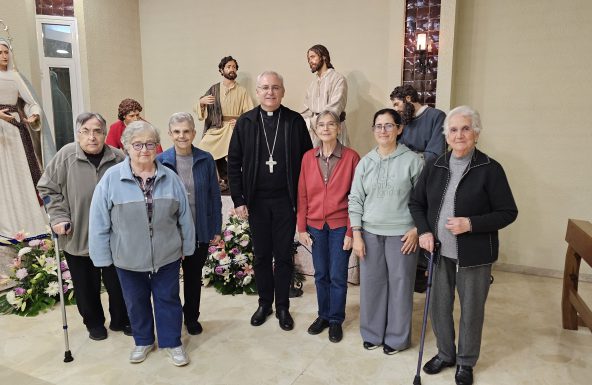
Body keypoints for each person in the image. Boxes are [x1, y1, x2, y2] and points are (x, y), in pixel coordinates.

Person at [409, 106, 518, 385]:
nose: (459, 135)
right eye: (453, 130)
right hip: (438, 252)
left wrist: (470, 224)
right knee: (439, 306)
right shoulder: (435, 165)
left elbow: (508, 212)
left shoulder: (490, 169)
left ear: (476, 134)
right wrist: (423, 231)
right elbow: (417, 203)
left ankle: (466, 362)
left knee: (471, 309)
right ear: (446, 135)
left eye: (466, 129)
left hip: (475, 254)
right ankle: (446, 353)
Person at [89, 121, 195, 366]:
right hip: (128, 256)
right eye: (137, 144)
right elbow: (99, 222)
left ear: (157, 146)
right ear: (126, 146)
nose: (144, 150)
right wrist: (102, 258)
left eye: (150, 144)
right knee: (135, 301)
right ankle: (143, 340)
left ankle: (172, 342)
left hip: (166, 253)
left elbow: (185, 218)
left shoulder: (171, 177)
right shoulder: (111, 179)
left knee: (168, 299)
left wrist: (187, 246)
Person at [228, 71, 312, 331]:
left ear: (283, 91)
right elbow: (233, 163)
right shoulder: (246, 122)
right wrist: (239, 199)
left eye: (275, 87)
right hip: (257, 202)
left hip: (286, 201)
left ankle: (283, 306)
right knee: (262, 255)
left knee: (284, 255)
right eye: (265, 87)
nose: (270, 92)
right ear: (257, 91)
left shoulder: (295, 121)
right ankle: (264, 303)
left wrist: (304, 201)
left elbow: (308, 162)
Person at [37, 112, 130, 341]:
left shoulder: (118, 158)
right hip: (78, 234)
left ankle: (122, 319)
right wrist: (58, 217)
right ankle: (94, 323)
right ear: (77, 134)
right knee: (85, 286)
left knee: (118, 284)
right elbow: (47, 188)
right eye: (85, 131)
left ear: (105, 134)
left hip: (114, 237)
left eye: (97, 131)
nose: (92, 137)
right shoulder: (66, 155)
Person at [349, 108, 423, 355]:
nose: (383, 130)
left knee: (401, 287)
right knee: (372, 286)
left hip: (402, 235)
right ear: (373, 130)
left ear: (399, 129)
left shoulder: (413, 161)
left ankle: (397, 338)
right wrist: (357, 234)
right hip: (369, 233)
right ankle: (372, 333)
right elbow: (355, 199)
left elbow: (425, 201)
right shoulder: (365, 162)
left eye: (389, 125)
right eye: (378, 126)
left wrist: (416, 229)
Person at [297, 110, 360, 343]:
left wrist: (352, 231)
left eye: (330, 124)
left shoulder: (352, 157)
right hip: (314, 226)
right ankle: (322, 315)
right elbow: (302, 194)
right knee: (321, 273)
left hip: (340, 226)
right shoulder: (307, 158)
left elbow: (356, 197)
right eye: (321, 125)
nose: (325, 128)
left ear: (339, 128)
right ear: (315, 130)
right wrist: (302, 227)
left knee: (337, 274)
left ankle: (335, 319)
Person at [157, 112, 222, 335]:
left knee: (193, 280)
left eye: (186, 131)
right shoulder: (161, 162)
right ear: (169, 134)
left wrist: (216, 228)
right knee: (169, 281)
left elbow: (214, 196)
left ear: (194, 133)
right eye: (177, 132)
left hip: (199, 231)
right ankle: (172, 318)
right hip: (171, 233)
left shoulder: (205, 159)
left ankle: (191, 317)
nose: (182, 136)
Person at [390, 84, 446, 292]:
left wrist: (410, 159)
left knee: (423, 222)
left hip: (428, 180)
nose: (396, 110)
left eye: (397, 104)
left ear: (408, 99)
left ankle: (425, 270)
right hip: (405, 181)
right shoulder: (404, 123)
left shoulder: (436, 116)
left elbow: (435, 153)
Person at [0, 37, 50, 240]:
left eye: (6, 52)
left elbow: (30, 101)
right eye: (0, 53)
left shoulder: (14, 76)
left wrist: (34, 113)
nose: (4, 56)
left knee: (20, 174)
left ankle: (26, 219)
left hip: (14, 131)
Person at [196, 56, 253, 191]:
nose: (231, 69)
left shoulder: (242, 91)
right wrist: (201, 102)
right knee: (203, 147)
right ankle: (217, 180)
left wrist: (240, 121)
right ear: (222, 70)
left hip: (234, 128)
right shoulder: (214, 89)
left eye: (234, 67)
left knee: (233, 152)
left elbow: (250, 112)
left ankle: (233, 182)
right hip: (217, 127)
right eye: (228, 67)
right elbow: (201, 109)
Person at [301, 44, 348, 146]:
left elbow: (334, 108)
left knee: (338, 160)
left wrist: (315, 122)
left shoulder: (338, 79)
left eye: (313, 57)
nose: (310, 61)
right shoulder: (312, 84)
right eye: (308, 59)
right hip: (315, 133)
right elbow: (306, 110)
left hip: (333, 130)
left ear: (324, 57)